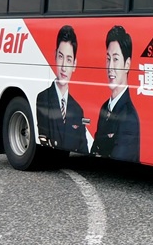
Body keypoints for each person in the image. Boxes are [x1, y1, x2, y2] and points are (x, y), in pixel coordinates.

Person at [36, 25, 88, 153]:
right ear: (55, 56)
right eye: (61, 57)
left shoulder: (77, 110)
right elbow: (45, 138)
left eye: (69, 59)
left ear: (74, 64)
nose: (64, 66)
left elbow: (84, 148)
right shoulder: (43, 98)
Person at [91, 25, 140, 162]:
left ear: (127, 64)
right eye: (108, 59)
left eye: (116, 59)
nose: (110, 67)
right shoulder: (105, 107)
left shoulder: (129, 117)